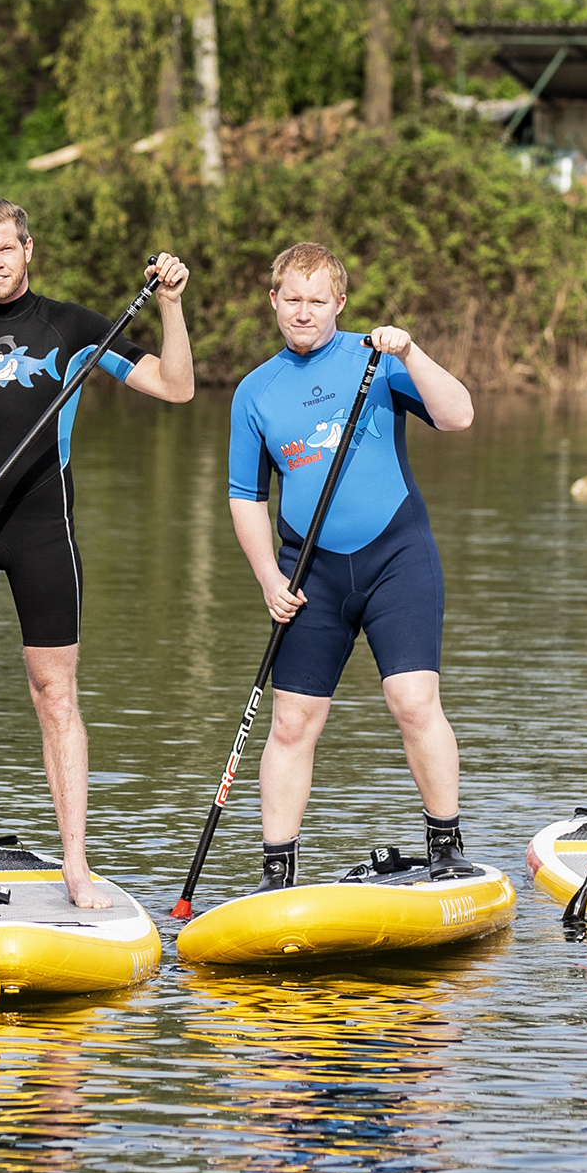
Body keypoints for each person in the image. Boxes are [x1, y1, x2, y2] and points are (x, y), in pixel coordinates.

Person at [0, 203, 193, 910]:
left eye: (4, 248)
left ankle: (76, 868)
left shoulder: (77, 328)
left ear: (28, 248)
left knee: (56, 698)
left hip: (43, 530)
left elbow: (176, 386)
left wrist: (170, 306)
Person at [225, 242, 479, 891]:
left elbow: (458, 417)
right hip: (308, 573)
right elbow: (246, 496)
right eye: (291, 298)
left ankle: (445, 844)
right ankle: (277, 873)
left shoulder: (377, 359)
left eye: (316, 300)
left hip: (396, 555)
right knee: (290, 721)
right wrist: (268, 579)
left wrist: (410, 352)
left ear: (338, 303)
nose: (302, 312)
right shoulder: (255, 391)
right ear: (273, 299)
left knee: (413, 700)